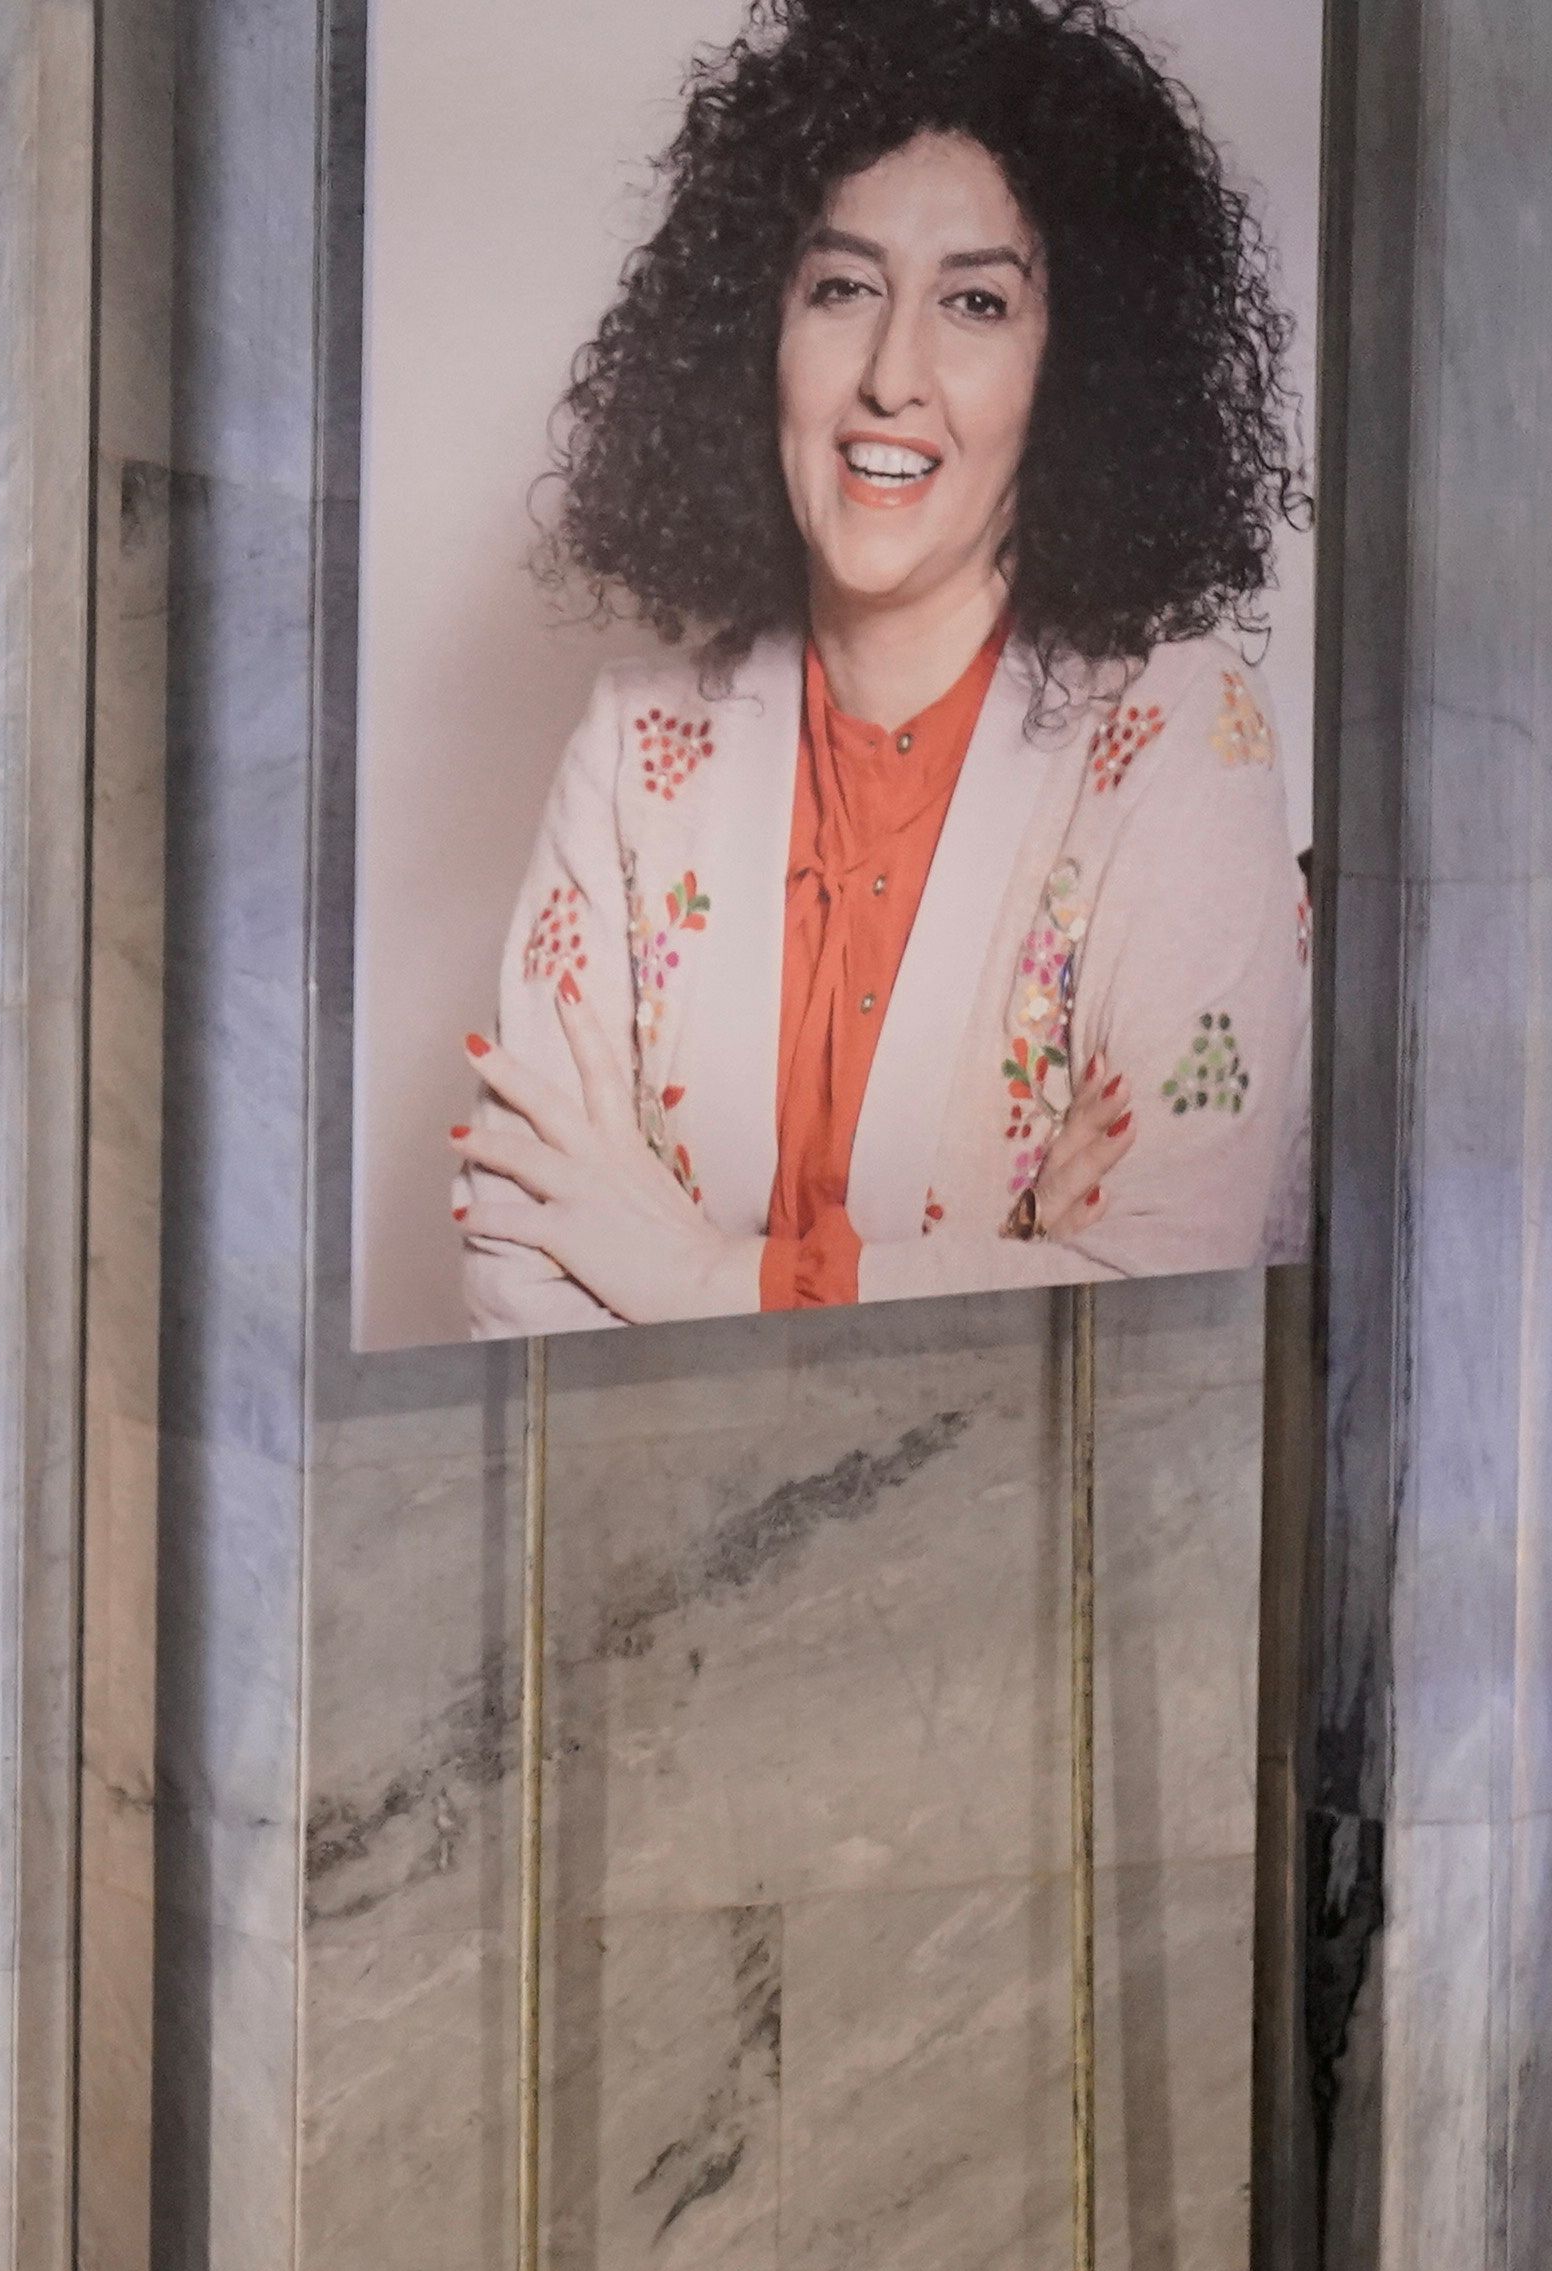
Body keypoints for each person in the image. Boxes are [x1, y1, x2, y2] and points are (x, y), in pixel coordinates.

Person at [455, 0, 1311, 1335]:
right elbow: (513, 1255)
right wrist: (1013, 1258)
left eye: (974, 302)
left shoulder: (1172, 736)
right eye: (841, 287)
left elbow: (1163, 1300)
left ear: (1072, 371)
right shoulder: (633, 753)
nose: (890, 377)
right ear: (758, 331)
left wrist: (692, 1273)